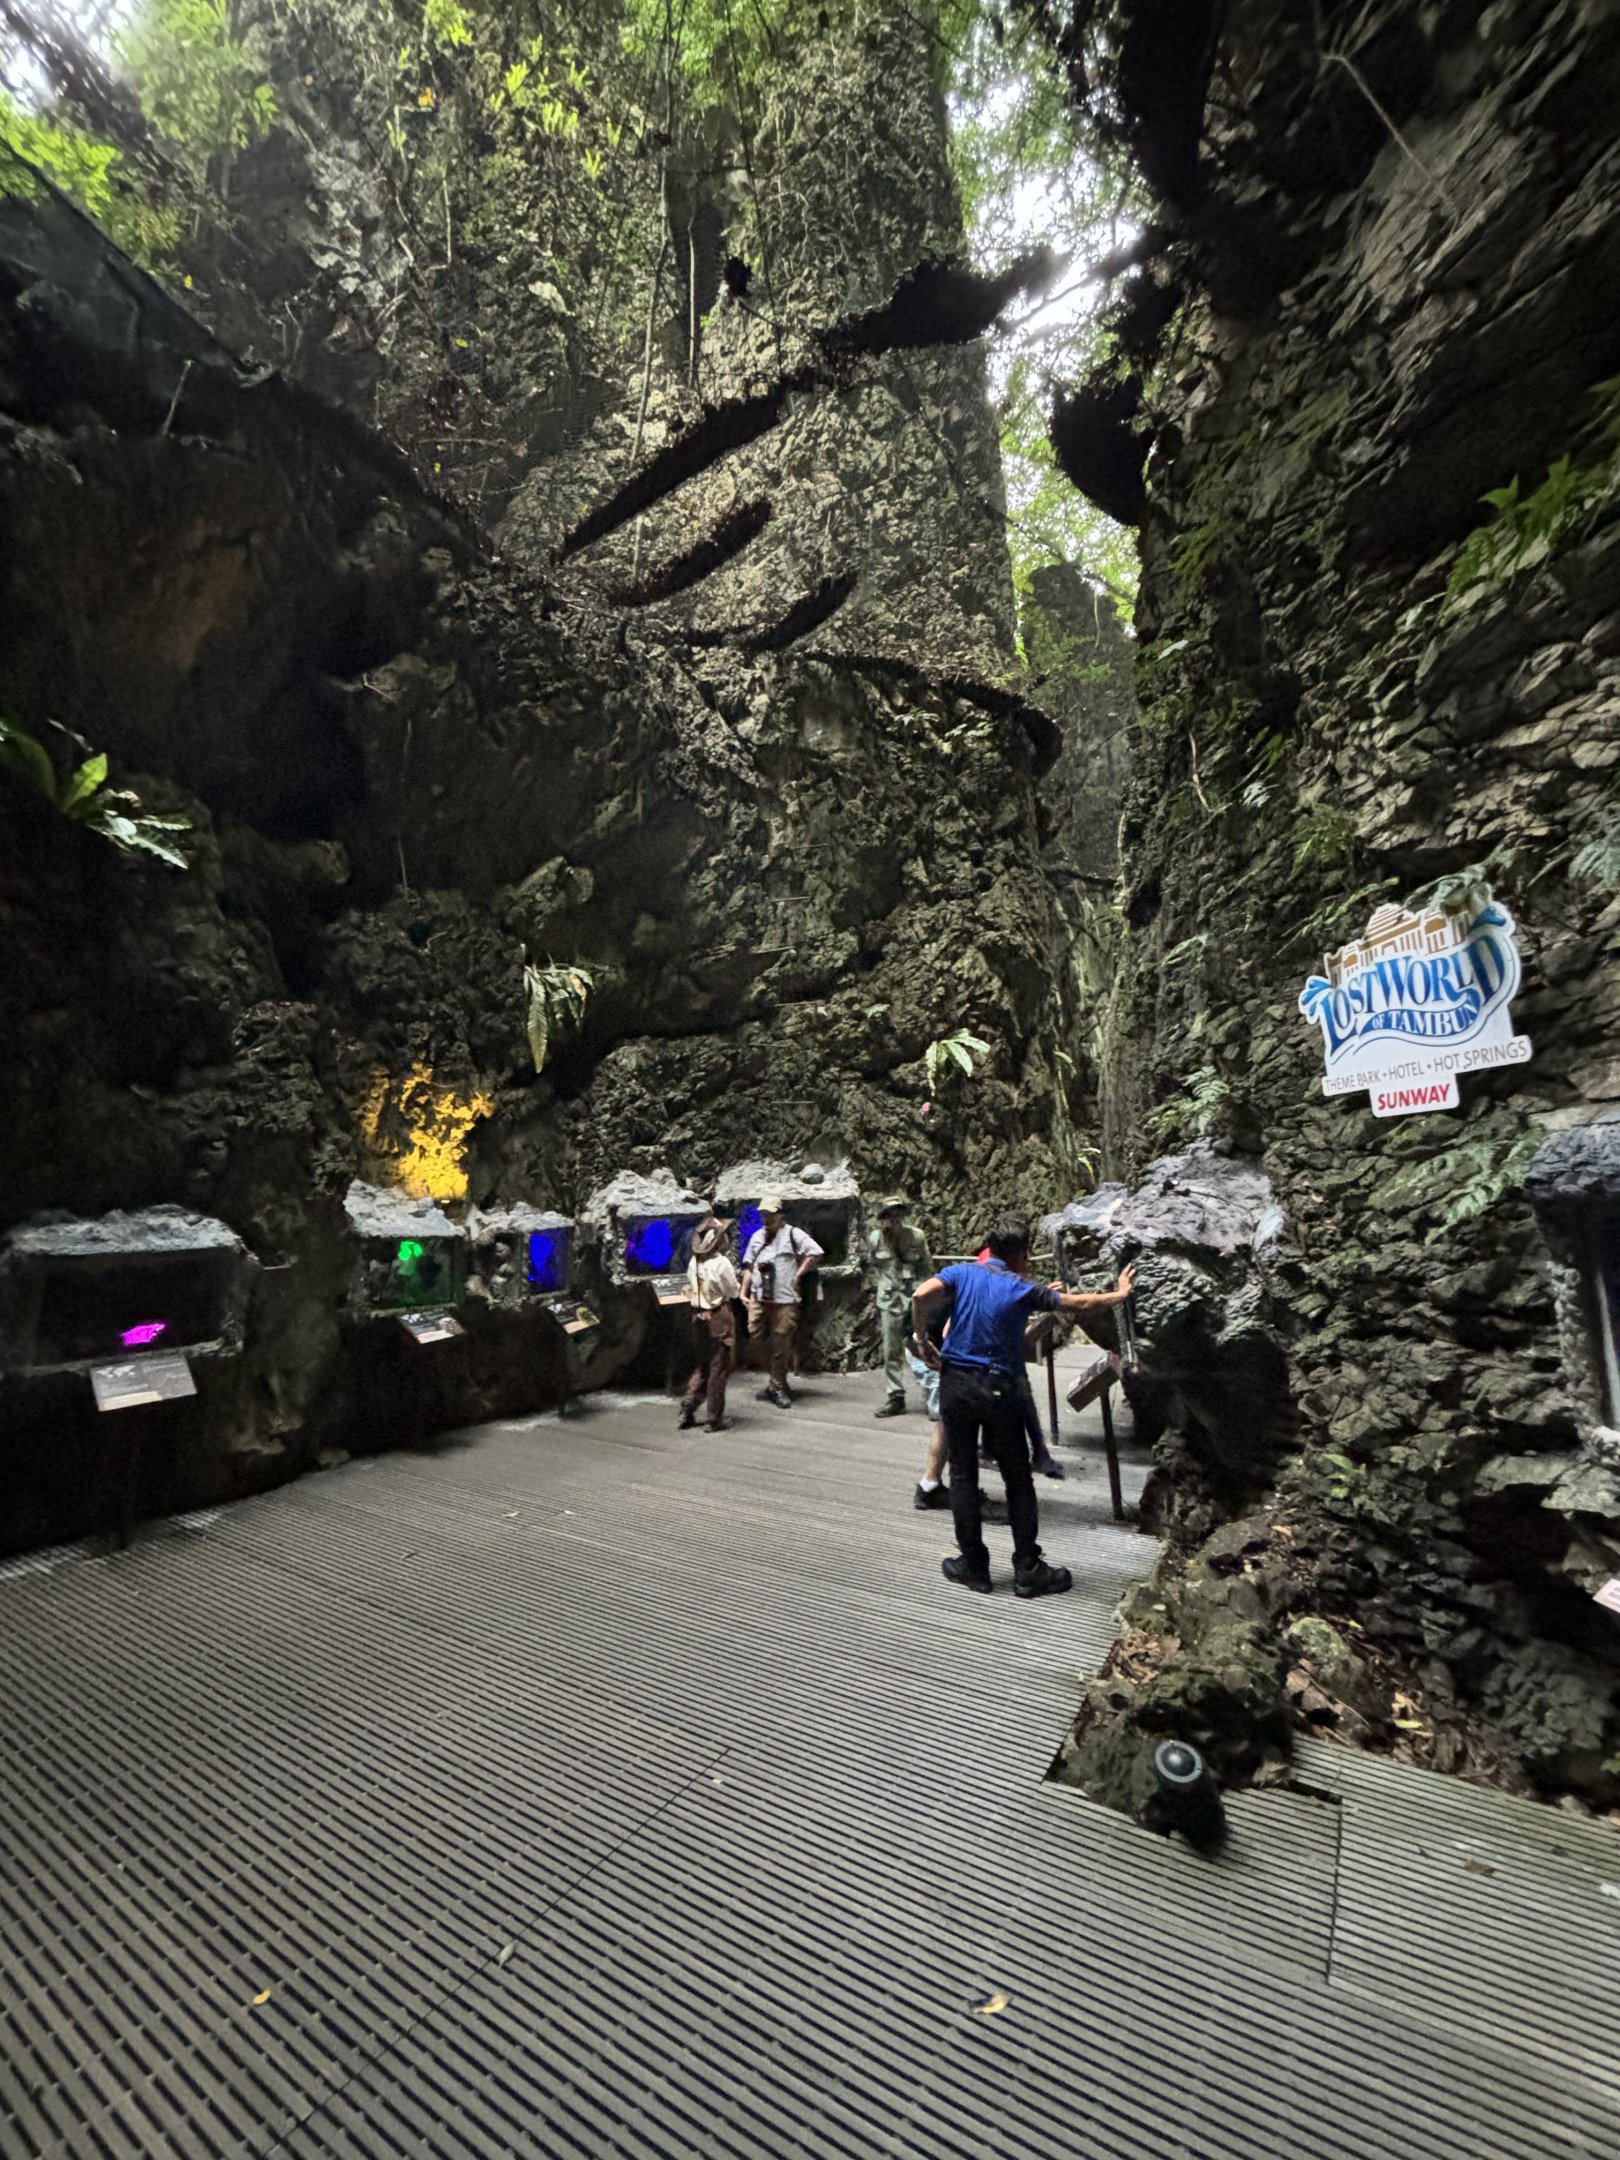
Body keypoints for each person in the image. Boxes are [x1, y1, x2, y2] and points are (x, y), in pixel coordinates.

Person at [913, 1215, 1134, 1597]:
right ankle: (1028, 1570)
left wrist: (922, 1340)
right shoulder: (1021, 1287)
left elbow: (920, 1295)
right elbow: (1075, 1304)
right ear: (1023, 1255)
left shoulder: (962, 1273)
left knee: (963, 1476)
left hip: (956, 1385)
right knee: (1018, 1479)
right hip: (999, 1389)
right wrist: (1120, 1293)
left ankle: (974, 1568)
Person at [740, 1195, 822, 1409]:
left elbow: (815, 1252)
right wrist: (743, 1291)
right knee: (755, 1334)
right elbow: (749, 1266)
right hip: (760, 1296)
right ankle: (776, 1380)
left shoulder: (793, 1234)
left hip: (784, 1298)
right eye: (763, 1215)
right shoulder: (757, 1237)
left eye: (770, 1215)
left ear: (780, 1216)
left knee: (781, 1340)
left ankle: (777, 1386)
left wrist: (799, 1274)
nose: (766, 1219)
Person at [868, 1196, 934, 1418]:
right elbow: (873, 1265)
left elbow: (926, 1268)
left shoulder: (916, 1237)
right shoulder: (875, 1239)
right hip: (889, 1301)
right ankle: (895, 1397)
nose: (894, 1219)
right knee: (891, 1351)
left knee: (922, 1345)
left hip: (913, 1300)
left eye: (898, 1214)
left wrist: (926, 1296)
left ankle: (934, 1396)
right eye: (889, 1215)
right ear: (883, 1218)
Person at [679, 1216, 740, 1432]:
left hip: (697, 1317)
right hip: (717, 1317)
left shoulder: (694, 1262)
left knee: (703, 1366)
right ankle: (714, 1417)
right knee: (719, 1368)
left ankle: (689, 1404)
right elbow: (733, 1291)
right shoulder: (721, 1263)